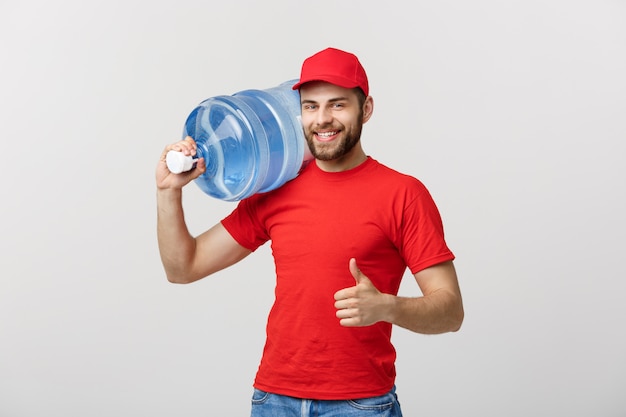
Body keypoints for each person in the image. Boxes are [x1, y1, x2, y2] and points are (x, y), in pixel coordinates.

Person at [156, 47, 464, 417]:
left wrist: (387, 307)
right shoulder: (276, 186)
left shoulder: (403, 194)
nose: (322, 119)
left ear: (365, 110)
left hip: (360, 404)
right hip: (273, 399)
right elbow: (183, 267)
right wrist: (168, 193)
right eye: (311, 106)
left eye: (337, 105)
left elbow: (451, 311)